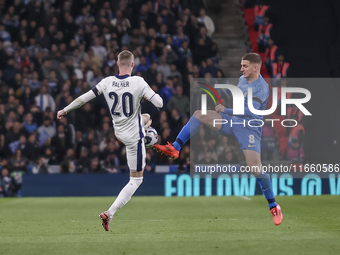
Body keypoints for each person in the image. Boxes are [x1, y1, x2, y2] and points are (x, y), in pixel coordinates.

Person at [154, 53, 283, 226]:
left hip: (249, 128)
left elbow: (251, 111)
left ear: (255, 67)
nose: (241, 69)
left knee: (255, 169)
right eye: (241, 65)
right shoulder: (242, 80)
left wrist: (226, 110)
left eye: (244, 66)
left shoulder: (262, 87)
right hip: (233, 122)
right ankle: (176, 147)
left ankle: (273, 206)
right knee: (199, 114)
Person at [57, 50, 163, 231]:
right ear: (132, 64)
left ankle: (145, 127)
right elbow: (160, 103)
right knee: (136, 180)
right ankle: (110, 213)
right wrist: (147, 95)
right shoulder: (138, 82)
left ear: (117, 63)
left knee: (146, 118)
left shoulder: (106, 82)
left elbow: (84, 99)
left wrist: (65, 110)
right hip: (133, 139)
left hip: (118, 131)